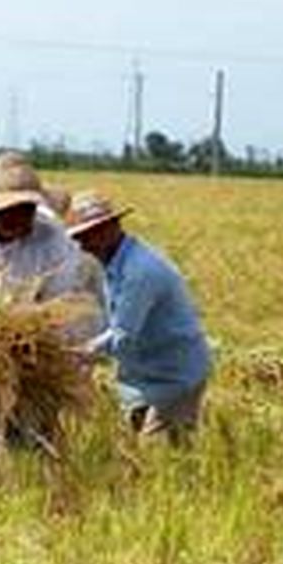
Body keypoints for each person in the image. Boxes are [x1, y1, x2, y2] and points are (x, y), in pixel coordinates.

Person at [0, 152, 104, 453]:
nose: (17, 216)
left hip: (37, 368)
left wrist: (28, 331)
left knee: (32, 448)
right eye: (7, 209)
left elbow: (65, 308)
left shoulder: (57, 246)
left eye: (25, 208)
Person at [67, 190, 212, 443]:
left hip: (174, 376)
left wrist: (78, 354)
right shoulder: (111, 263)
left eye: (95, 231)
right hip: (142, 375)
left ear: (114, 226)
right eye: (82, 235)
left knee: (159, 459)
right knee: (144, 453)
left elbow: (123, 335)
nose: (86, 242)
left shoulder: (139, 271)